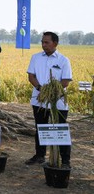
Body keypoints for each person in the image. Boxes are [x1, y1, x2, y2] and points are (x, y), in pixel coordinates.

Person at [25, 31, 72, 167]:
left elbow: (65, 81)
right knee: (40, 128)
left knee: (60, 130)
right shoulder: (35, 58)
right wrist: (41, 89)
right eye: (42, 42)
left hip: (58, 102)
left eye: (47, 42)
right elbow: (31, 77)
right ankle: (40, 155)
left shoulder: (63, 60)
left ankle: (65, 161)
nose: (43, 45)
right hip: (38, 100)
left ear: (55, 43)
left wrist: (51, 94)